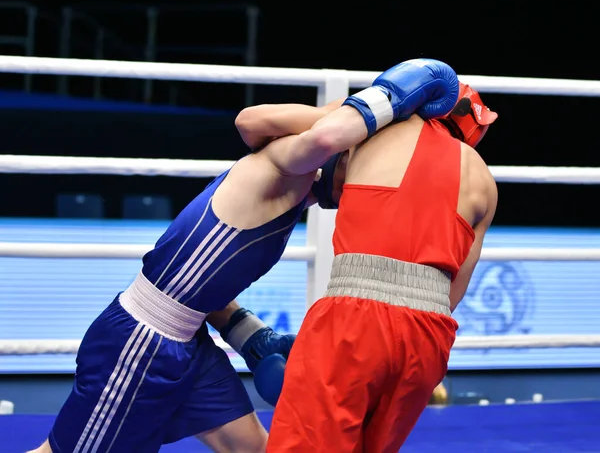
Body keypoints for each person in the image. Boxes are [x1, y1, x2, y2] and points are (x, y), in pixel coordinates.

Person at [28, 58, 459, 453]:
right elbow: (280, 125)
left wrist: (248, 335)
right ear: (342, 153)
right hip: (141, 343)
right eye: (368, 163)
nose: (368, 182)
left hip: (189, 343)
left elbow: (197, 287)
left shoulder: (290, 191)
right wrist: (387, 98)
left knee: (254, 449)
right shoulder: (285, 167)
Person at [266, 81, 499, 452]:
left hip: (354, 319)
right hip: (429, 333)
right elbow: (453, 292)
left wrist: (356, 106)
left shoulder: (372, 132)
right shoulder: (485, 181)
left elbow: (257, 123)